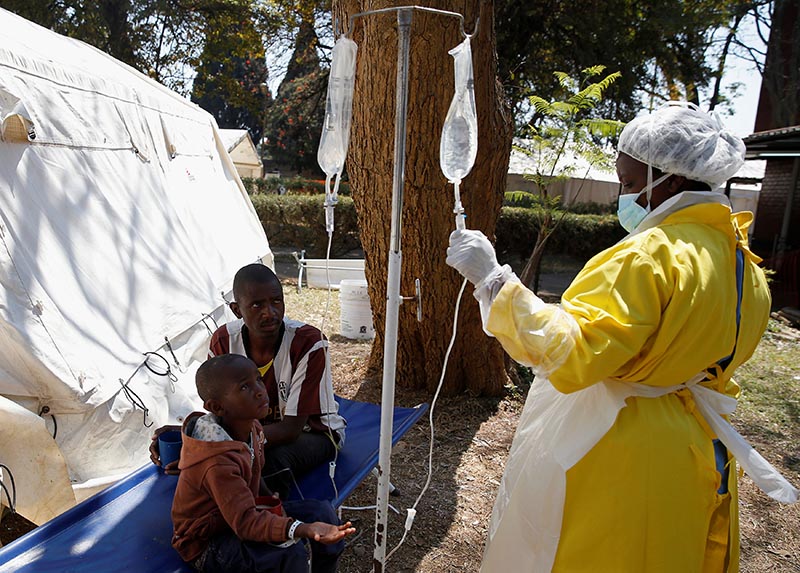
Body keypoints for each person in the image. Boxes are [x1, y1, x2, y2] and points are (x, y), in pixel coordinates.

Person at [446, 102, 798, 572]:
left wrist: (492, 280)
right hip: (693, 442)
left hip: (624, 444)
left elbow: (572, 352)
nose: (624, 196)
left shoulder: (648, 255)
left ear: (670, 180)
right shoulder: (742, 263)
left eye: (631, 184)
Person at [152, 263, 346, 499]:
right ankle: (230, 518)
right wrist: (191, 436)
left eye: (276, 301)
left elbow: (290, 430)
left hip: (315, 433)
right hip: (249, 433)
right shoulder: (224, 341)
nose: (270, 312)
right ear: (237, 310)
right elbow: (223, 412)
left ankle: (272, 525)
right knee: (229, 463)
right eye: (257, 305)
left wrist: (209, 448)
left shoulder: (308, 343)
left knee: (267, 462)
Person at [171, 353, 355, 572]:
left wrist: (273, 501)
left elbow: (253, 473)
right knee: (288, 555)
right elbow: (245, 522)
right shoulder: (216, 462)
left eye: (258, 379)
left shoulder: (252, 427)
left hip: (239, 514)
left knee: (322, 513)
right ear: (217, 407)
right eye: (244, 388)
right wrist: (300, 528)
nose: (260, 390)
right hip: (208, 540)